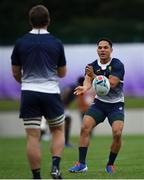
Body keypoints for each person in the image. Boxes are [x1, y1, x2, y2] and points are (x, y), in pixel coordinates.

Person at [11, 5, 67, 179]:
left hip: (29, 92)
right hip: (50, 92)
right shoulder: (56, 43)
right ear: (48, 20)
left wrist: (26, 81)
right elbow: (62, 73)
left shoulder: (20, 42)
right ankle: (55, 167)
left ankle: (36, 177)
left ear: (30, 21)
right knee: (58, 131)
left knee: (33, 137)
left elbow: (15, 72)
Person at [69, 38, 125, 174]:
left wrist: (93, 75)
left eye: (106, 47)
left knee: (117, 133)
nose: (103, 50)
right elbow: (88, 80)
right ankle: (81, 164)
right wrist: (85, 87)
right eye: (100, 48)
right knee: (84, 128)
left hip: (115, 104)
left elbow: (110, 84)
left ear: (111, 50)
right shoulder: (91, 65)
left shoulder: (117, 64)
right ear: (97, 50)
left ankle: (110, 164)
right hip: (99, 104)